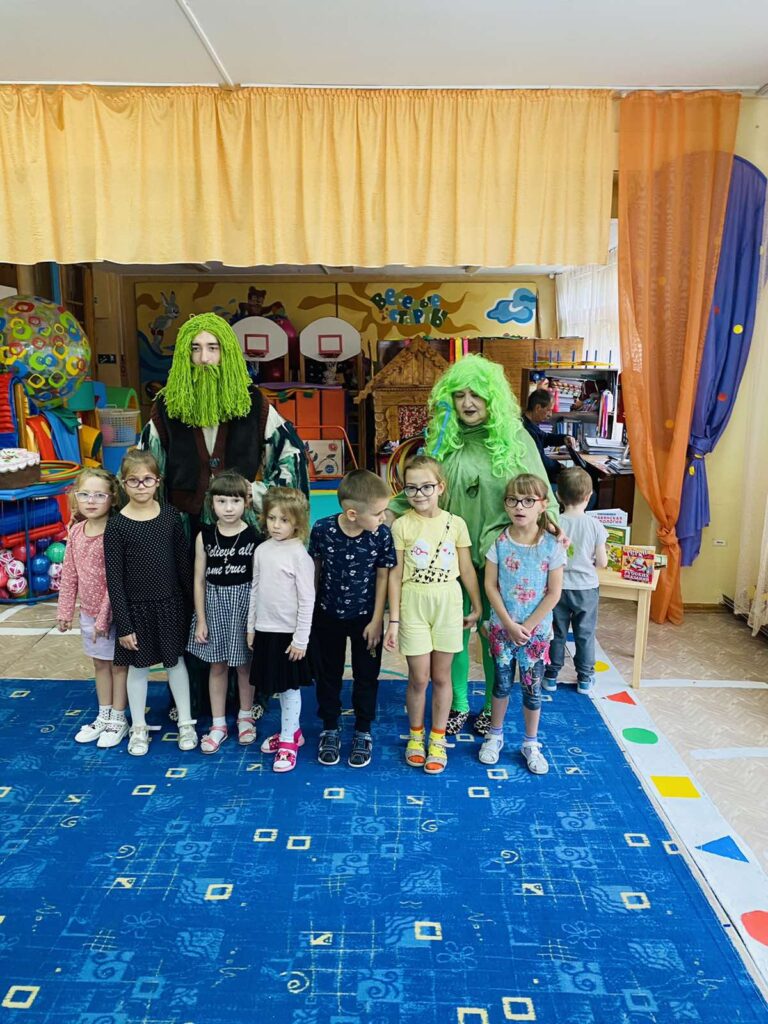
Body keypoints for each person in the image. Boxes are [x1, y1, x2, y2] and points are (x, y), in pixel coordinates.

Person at [139, 311, 309, 719]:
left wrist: (257, 495)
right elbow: (146, 467)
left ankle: (254, 695)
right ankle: (195, 699)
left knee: (249, 606)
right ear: (184, 356)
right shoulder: (166, 406)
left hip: (244, 531)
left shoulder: (255, 403)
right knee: (193, 608)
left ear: (227, 353)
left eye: (213, 348)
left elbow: (291, 458)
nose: (204, 358)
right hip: (186, 528)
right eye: (195, 349)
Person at [388, 355, 559, 738]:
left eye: (476, 395)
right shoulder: (443, 437)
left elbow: (541, 492)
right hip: (451, 555)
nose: (467, 403)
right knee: (455, 631)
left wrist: (553, 529)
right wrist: (383, 512)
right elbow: (421, 486)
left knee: (494, 633)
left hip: (503, 557)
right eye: (459, 395)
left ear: (492, 397)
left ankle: (489, 708)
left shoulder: (516, 439)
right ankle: (459, 703)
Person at [385, 456, 482, 775]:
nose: (419, 494)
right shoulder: (401, 525)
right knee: (419, 677)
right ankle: (416, 735)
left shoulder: (456, 524)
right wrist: (394, 619)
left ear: (440, 487)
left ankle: (437, 738)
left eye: (426, 486)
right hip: (413, 603)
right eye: (411, 488)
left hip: (448, 603)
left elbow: (466, 568)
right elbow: (395, 575)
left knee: (442, 677)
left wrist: (477, 605)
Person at [104, 450, 197, 757]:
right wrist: (124, 624)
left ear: (158, 481)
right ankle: (139, 727)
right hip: (136, 611)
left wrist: (194, 610)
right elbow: (114, 579)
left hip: (170, 606)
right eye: (134, 480)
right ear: (123, 483)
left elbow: (183, 565)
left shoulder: (170, 516)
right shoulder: (117, 525)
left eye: (147, 479)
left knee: (175, 663)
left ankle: (186, 722)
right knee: (138, 667)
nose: (141, 486)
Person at [309, 469, 396, 769]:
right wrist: (310, 614)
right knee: (328, 674)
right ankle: (330, 727)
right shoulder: (322, 529)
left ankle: (362, 730)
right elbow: (315, 570)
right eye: (378, 513)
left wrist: (377, 619)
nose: (384, 518)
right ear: (352, 513)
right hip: (327, 617)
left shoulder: (381, 535)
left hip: (365, 620)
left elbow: (383, 576)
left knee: (366, 676)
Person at [480, 473, 565, 774]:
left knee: (532, 689)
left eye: (528, 500)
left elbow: (554, 593)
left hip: (536, 634)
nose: (519, 506)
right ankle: (495, 735)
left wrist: (527, 626)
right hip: (502, 630)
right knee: (501, 684)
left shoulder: (552, 546)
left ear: (543, 505)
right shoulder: (499, 542)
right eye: (513, 500)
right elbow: (490, 585)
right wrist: (508, 623)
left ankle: (530, 742)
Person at [186, 471, 260, 753]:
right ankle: (218, 724)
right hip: (214, 606)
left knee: (244, 666)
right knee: (217, 666)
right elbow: (199, 580)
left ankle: (245, 717)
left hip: (244, 608)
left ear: (246, 502)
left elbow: (259, 582)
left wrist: (255, 623)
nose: (229, 508)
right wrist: (201, 619)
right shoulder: (204, 536)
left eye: (235, 501)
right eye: (222, 501)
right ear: (212, 503)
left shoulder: (254, 536)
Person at [56, 467, 129, 748]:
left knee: (119, 665)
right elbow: (69, 574)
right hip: (88, 612)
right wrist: (65, 611)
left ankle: (118, 718)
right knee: (100, 663)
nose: (91, 501)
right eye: (84, 494)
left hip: (114, 614)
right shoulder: (76, 531)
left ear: (112, 498)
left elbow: (116, 580)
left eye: (99, 495)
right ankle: (104, 714)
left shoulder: (115, 531)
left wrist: (103, 618)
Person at [247, 488, 315, 773]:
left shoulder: (299, 555)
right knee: (276, 686)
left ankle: (288, 740)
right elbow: (255, 588)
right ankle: (293, 731)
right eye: (272, 518)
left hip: (289, 635)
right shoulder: (262, 550)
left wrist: (301, 639)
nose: (276, 525)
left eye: (284, 520)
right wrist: (251, 627)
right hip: (266, 630)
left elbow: (307, 599)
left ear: (297, 523)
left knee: (289, 687)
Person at [544, 467, 608, 696]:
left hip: (557, 588)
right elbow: (602, 562)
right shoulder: (595, 525)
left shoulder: (554, 524)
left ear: (558, 495)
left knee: (556, 632)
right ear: (589, 496)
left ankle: (551, 675)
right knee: (585, 634)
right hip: (586, 589)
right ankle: (584, 678)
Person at [521, 389, 575, 484]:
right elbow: (539, 459)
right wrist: (559, 466)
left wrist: (564, 438)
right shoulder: (526, 430)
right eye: (548, 410)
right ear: (538, 408)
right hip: (532, 479)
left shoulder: (530, 423)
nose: (550, 414)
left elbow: (545, 437)